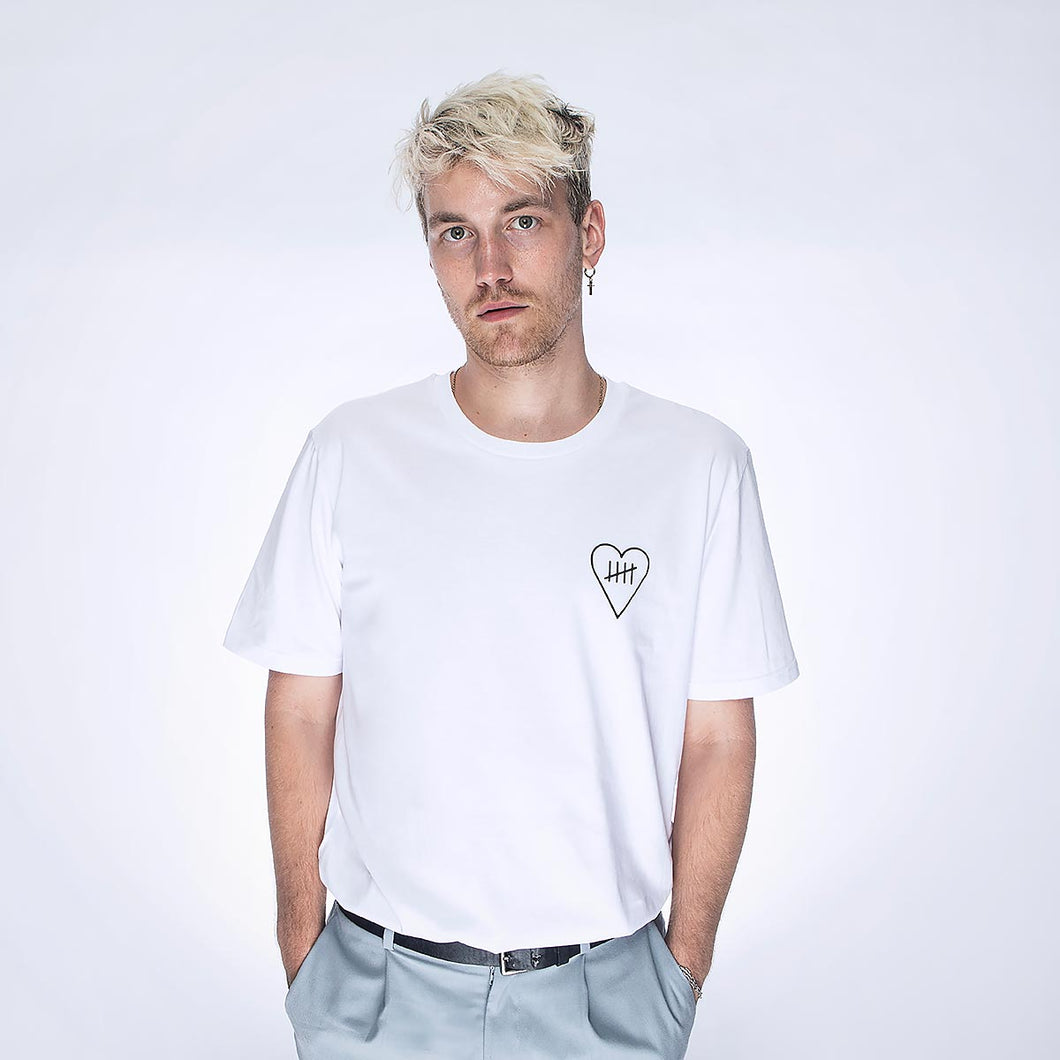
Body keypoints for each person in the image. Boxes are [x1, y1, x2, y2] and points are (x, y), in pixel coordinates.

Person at [223, 70, 799, 1060]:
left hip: (607, 997)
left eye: (522, 221)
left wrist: (681, 968)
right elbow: (303, 709)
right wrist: (302, 949)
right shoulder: (351, 452)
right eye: (455, 232)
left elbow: (717, 735)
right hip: (375, 992)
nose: (489, 265)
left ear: (589, 234)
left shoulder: (697, 465)